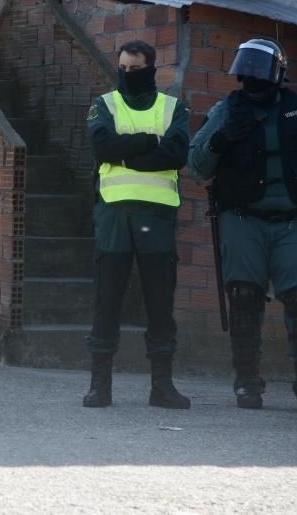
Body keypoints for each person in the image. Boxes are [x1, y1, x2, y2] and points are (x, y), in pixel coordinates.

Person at [189, 38, 297, 412]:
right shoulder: (226, 111)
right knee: (243, 297)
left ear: (278, 75)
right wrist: (219, 142)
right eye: (246, 70)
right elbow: (196, 165)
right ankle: (247, 382)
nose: (252, 78)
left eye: (260, 70)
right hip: (243, 218)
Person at [83, 39, 191, 410]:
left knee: (160, 304)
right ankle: (100, 386)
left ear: (151, 69)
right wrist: (149, 143)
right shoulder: (104, 104)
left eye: (135, 69)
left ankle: (162, 386)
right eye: (123, 68)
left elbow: (177, 154)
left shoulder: (172, 107)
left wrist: (126, 155)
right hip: (114, 216)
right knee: (106, 301)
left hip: (157, 218)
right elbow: (103, 149)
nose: (128, 75)